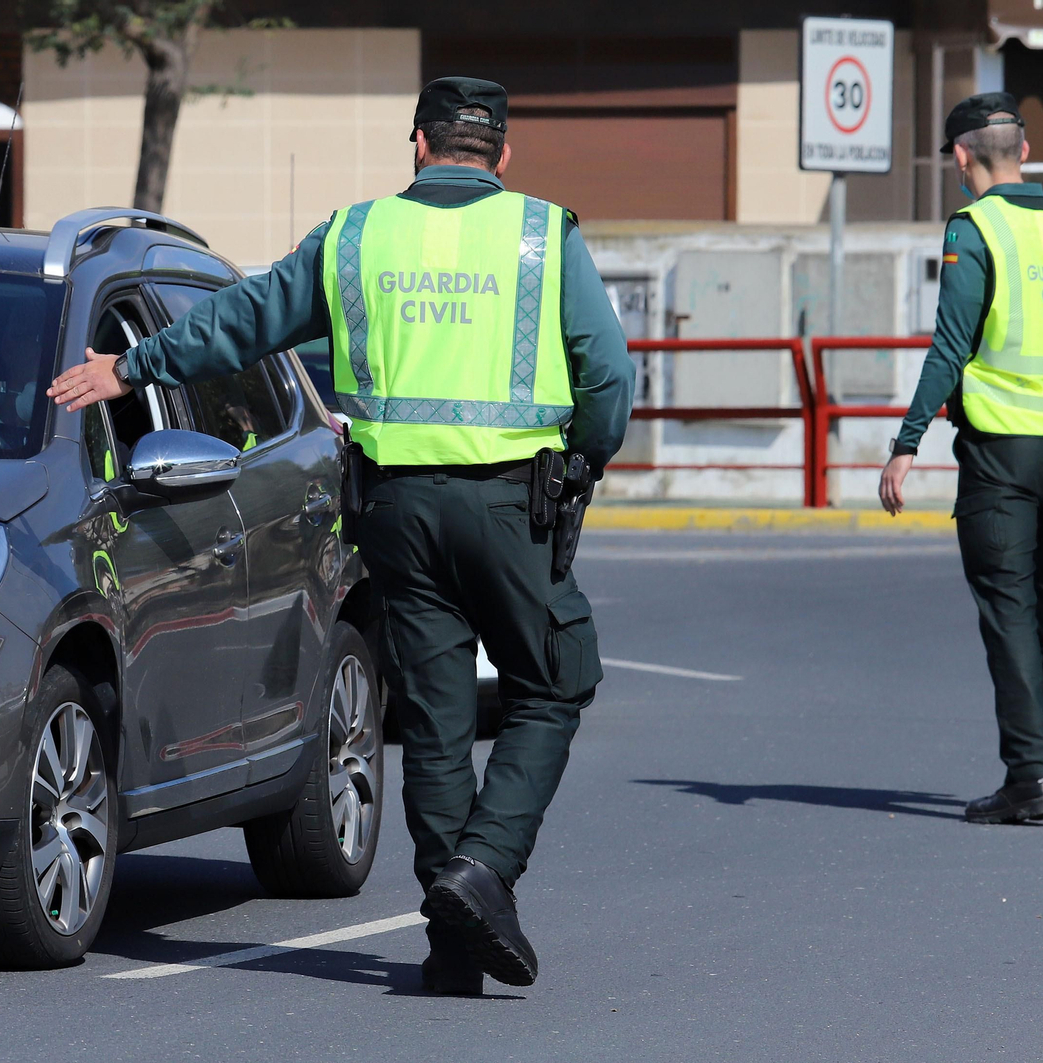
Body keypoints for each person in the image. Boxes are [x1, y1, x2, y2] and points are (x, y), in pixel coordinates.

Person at [48, 76, 633, 993]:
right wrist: (584, 462)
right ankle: (484, 869)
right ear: (503, 155)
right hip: (512, 505)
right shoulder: (542, 235)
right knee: (556, 683)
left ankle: (451, 945)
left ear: (417, 143)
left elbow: (245, 319)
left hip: (395, 509)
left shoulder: (355, 234)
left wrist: (132, 366)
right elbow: (607, 377)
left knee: (436, 719)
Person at [878, 92, 1043, 825]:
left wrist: (907, 441)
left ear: (960, 157)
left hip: (1004, 455)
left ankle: (1031, 778)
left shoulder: (975, 227)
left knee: (1010, 613)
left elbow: (951, 344)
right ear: (1026, 153)